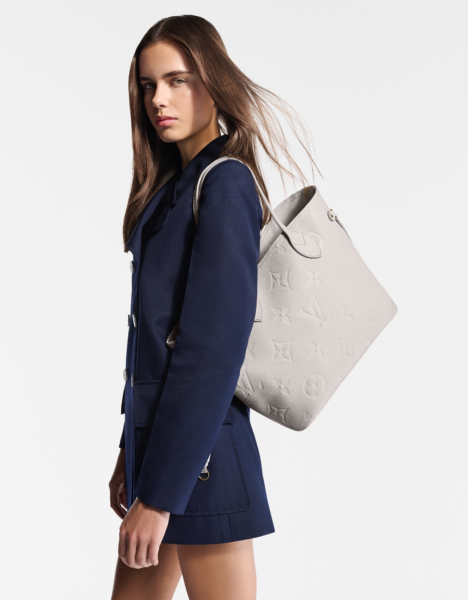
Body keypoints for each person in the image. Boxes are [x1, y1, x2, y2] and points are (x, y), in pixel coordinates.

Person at [108, 15, 320, 600]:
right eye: (148, 85)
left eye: (177, 80)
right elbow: (154, 344)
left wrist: (158, 496)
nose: (159, 99)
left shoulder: (225, 184)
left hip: (201, 460)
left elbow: (211, 352)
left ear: (213, 81)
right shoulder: (169, 192)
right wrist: (130, 449)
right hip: (164, 455)